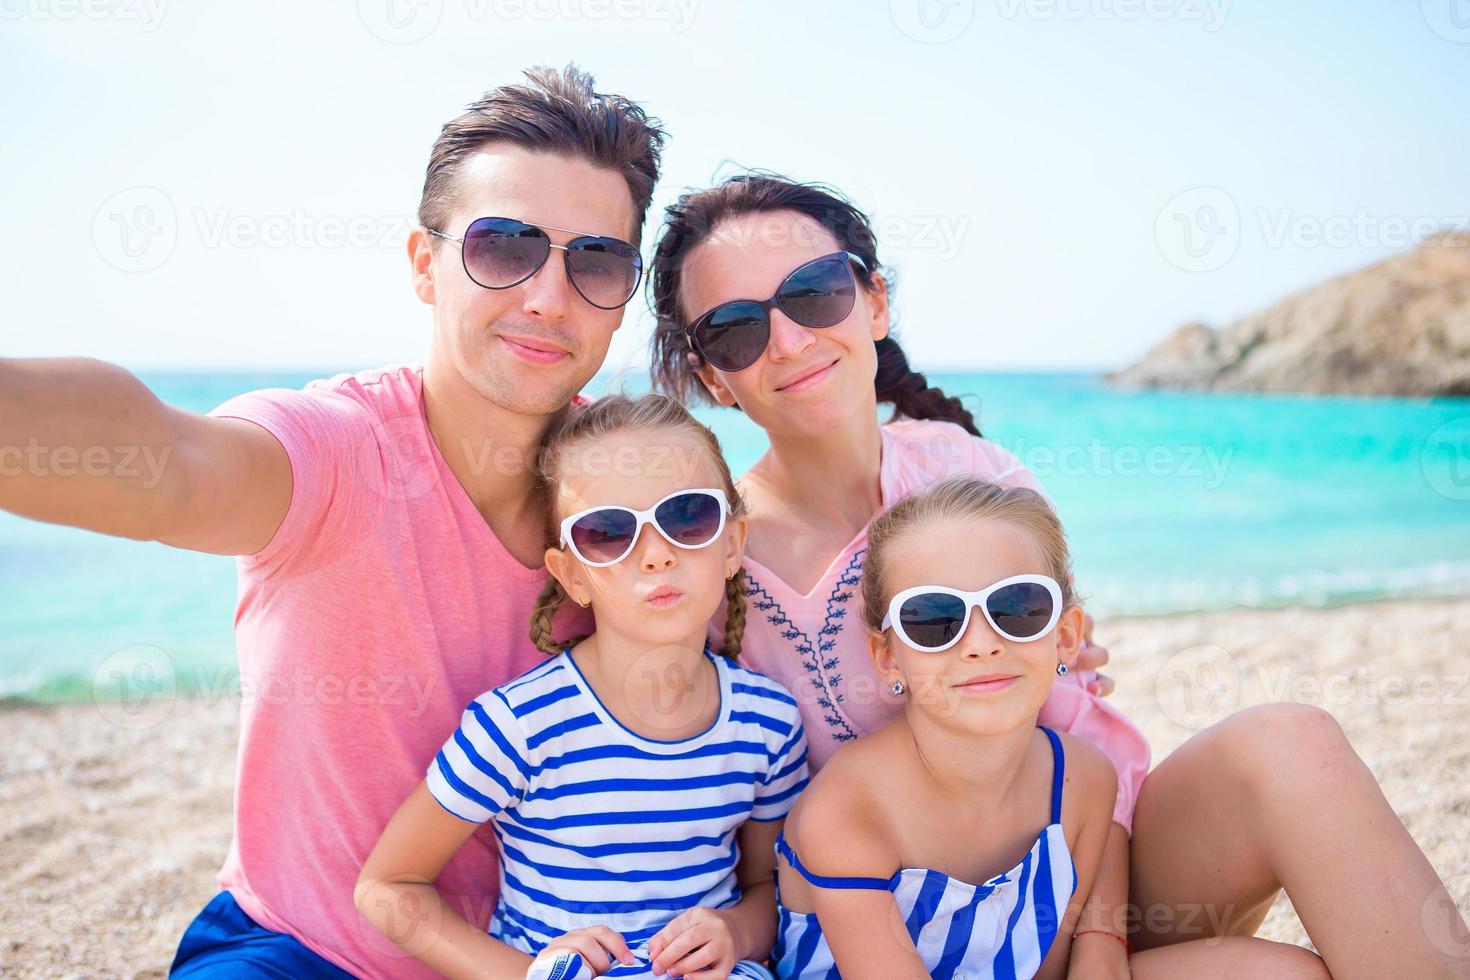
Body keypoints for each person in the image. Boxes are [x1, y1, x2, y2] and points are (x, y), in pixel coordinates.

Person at [648, 173, 1470, 979]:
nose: (788, 339)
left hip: (1074, 888)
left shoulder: (976, 481)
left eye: (815, 292)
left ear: (874, 303)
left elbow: (1079, 730)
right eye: (735, 329)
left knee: (1290, 743)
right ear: (713, 375)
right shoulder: (697, 556)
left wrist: (1099, 938)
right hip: (865, 930)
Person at [1, 65, 665, 978]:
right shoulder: (337, 451)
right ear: (425, 266)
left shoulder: (637, 492)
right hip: (304, 949)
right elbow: (167, 466)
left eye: (594, 259)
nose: (549, 296)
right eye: (506, 246)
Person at [774, 476, 1330, 979]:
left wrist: (1101, 943)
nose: (981, 643)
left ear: (1065, 637)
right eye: (933, 618)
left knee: (1288, 971)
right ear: (889, 657)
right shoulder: (849, 810)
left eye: (1016, 608)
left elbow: (1071, 965)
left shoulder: (1084, 784)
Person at [357, 394, 805, 980]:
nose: (655, 554)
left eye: (688, 515)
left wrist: (735, 932)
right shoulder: (520, 725)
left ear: (732, 543)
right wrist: (524, 974)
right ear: (572, 576)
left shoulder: (768, 723)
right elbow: (387, 887)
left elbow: (767, 891)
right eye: (609, 532)